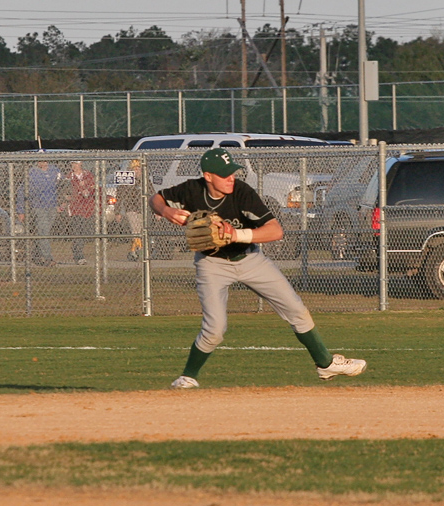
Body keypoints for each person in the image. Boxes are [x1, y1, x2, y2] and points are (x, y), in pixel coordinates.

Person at [149, 148, 367, 389]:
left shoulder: (242, 192)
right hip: (211, 264)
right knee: (215, 329)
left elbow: (275, 231)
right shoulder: (191, 189)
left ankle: (326, 364)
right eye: (224, 174)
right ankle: (187, 377)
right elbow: (156, 198)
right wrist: (166, 210)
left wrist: (237, 235)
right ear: (208, 176)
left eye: (232, 172)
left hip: (250, 260)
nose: (231, 177)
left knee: (296, 309)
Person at [17, 159, 62, 266]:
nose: (43, 162)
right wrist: (21, 210)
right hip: (39, 207)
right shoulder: (32, 172)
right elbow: (21, 191)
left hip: (52, 206)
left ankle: (35, 255)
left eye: (45, 159)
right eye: (40, 159)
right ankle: (48, 258)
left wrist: (61, 203)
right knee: (43, 232)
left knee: (43, 233)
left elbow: (63, 186)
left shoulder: (55, 171)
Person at [66, 160, 96, 265]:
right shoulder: (69, 177)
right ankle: (79, 255)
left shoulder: (88, 175)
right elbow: (66, 191)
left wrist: (86, 188)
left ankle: (78, 250)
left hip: (87, 208)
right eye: (72, 163)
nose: (74, 165)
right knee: (77, 231)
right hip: (75, 208)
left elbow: (93, 187)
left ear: (81, 164)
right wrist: (79, 189)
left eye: (76, 163)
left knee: (84, 231)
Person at [116, 159, 144, 261]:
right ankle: (141, 250)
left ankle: (132, 252)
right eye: (134, 169)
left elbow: (152, 193)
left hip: (142, 209)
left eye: (138, 169)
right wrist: (117, 212)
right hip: (130, 209)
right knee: (135, 231)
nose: (137, 171)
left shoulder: (144, 180)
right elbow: (119, 196)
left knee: (139, 232)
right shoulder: (126, 180)